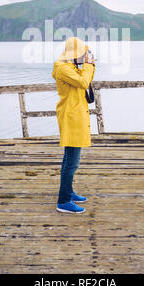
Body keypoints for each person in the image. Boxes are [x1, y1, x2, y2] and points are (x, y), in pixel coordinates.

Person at [52, 36, 96, 214]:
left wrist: (89, 66)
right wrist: (89, 65)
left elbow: (85, 82)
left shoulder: (71, 67)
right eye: (83, 53)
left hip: (75, 115)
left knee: (70, 158)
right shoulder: (63, 68)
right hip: (71, 117)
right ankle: (63, 201)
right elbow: (84, 82)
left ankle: (68, 192)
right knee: (72, 161)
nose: (85, 55)